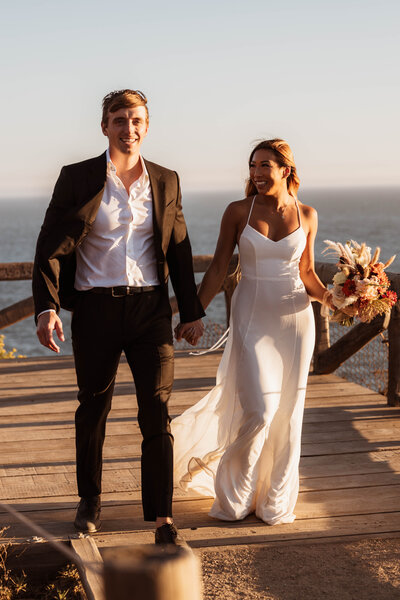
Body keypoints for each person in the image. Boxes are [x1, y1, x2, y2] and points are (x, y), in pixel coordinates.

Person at [33, 89, 205, 543]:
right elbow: (49, 246)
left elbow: (180, 249)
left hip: (151, 311)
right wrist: (46, 308)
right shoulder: (77, 178)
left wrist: (191, 311)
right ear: (104, 126)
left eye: (136, 120)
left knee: (157, 408)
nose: (128, 128)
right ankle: (89, 499)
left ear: (147, 126)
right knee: (93, 409)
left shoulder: (167, 180)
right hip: (95, 309)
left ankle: (162, 517)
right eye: (119, 119)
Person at [173, 138, 333, 525]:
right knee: (260, 410)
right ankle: (235, 498)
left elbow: (307, 274)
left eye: (266, 166)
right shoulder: (237, 212)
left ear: (285, 170)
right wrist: (193, 313)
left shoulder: (307, 214)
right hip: (251, 316)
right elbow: (217, 269)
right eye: (253, 165)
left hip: (296, 319)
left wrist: (335, 299)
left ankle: (274, 502)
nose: (257, 173)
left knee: (289, 414)